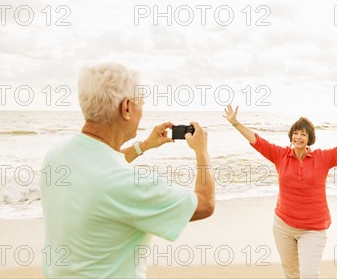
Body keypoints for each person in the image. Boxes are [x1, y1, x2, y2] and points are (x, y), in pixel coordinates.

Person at [41, 63, 215, 278]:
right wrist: (202, 152)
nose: (142, 111)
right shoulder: (129, 184)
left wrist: (145, 145)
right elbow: (205, 204)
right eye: (141, 103)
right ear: (126, 108)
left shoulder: (56, 155)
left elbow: (101, 168)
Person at [223, 104, 337, 279]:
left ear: (309, 138)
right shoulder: (279, 155)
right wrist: (235, 123)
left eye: (303, 134)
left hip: (313, 229)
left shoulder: (322, 158)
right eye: (295, 133)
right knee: (291, 274)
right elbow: (257, 141)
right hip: (283, 225)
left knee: (309, 275)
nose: (298, 137)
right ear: (291, 136)